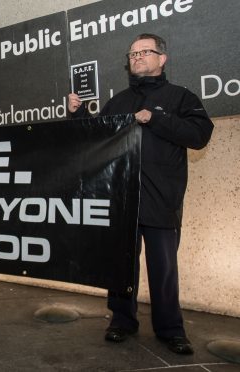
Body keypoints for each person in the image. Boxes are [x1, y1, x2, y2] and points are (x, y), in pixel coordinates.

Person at [68, 34, 213, 355]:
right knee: (120, 266)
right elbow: (97, 138)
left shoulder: (181, 97)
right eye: (132, 54)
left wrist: (156, 118)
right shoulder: (118, 101)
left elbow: (200, 136)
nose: (136, 57)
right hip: (122, 201)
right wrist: (78, 116)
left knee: (163, 269)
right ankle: (121, 321)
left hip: (162, 199)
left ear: (162, 58)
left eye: (144, 52)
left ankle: (171, 329)